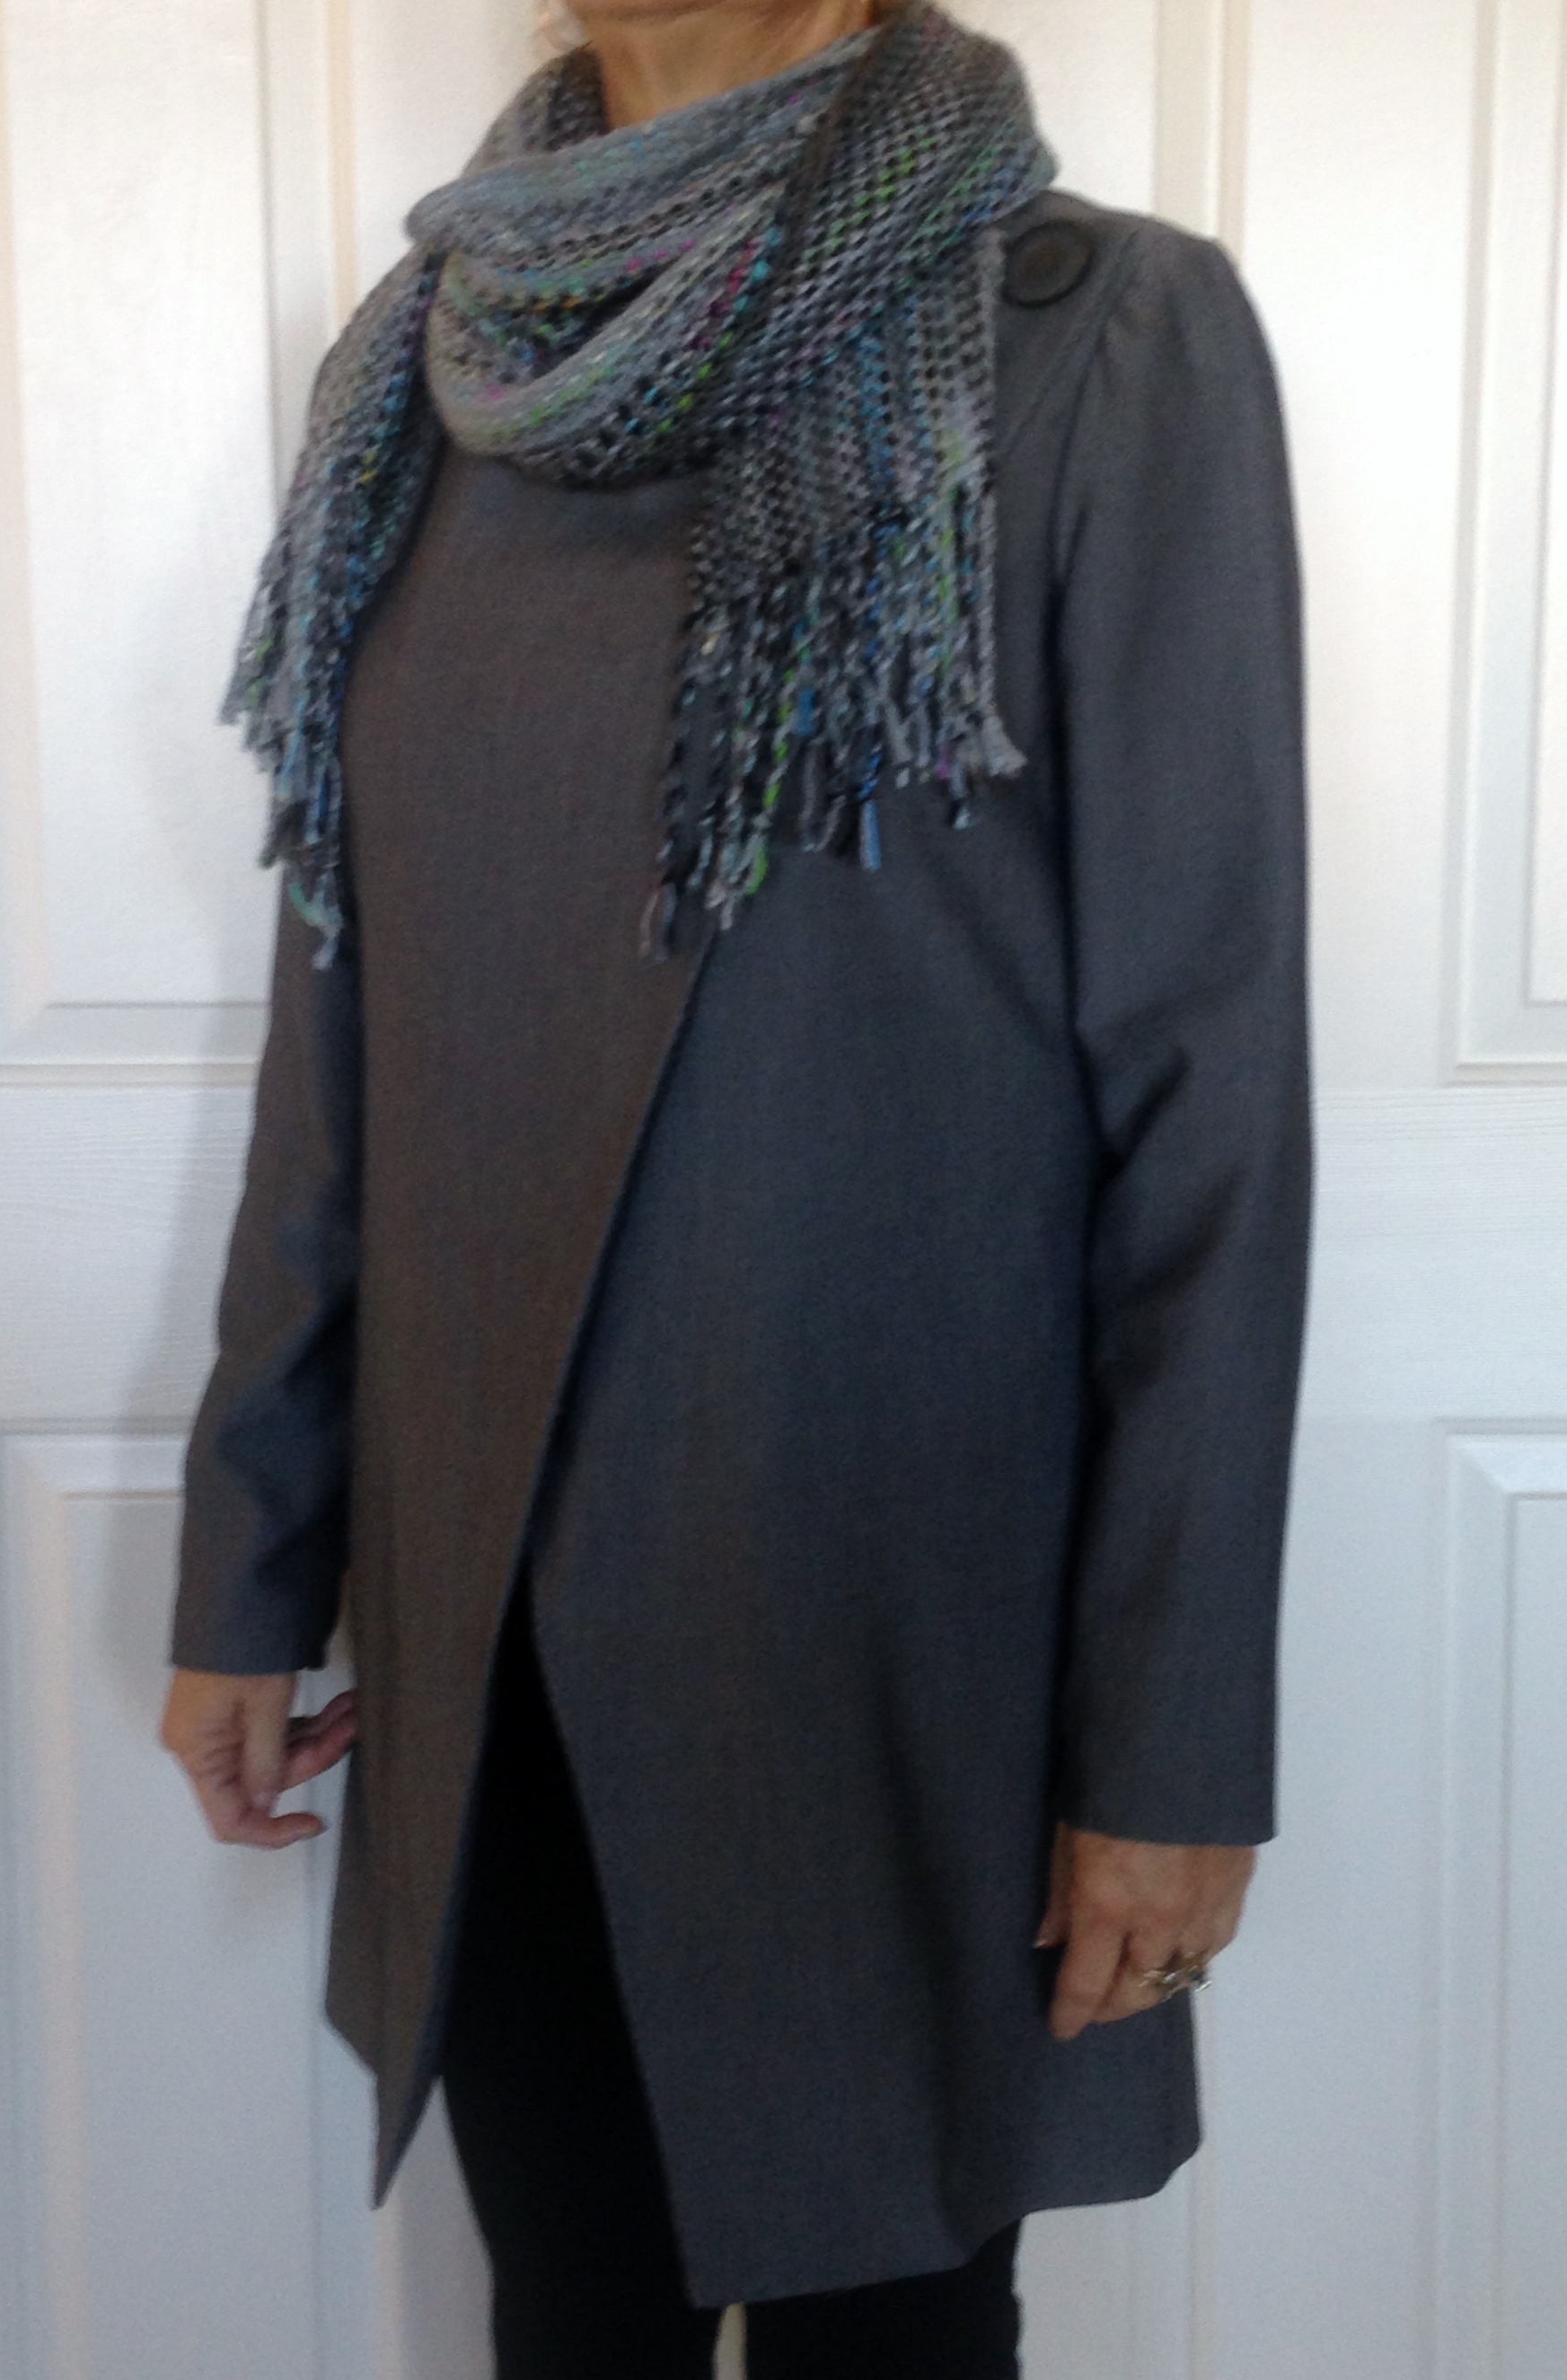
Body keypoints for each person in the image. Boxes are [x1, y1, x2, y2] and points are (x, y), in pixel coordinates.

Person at [161, 0, 1313, 2370]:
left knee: (894, 2330)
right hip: (486, 1615)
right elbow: (341, 1008)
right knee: (568, 2309)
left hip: (897, 1617)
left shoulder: (1091, 334)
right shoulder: (424, 369)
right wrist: (246, 1558)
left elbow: (1208, 1097)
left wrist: (1170, 1745)